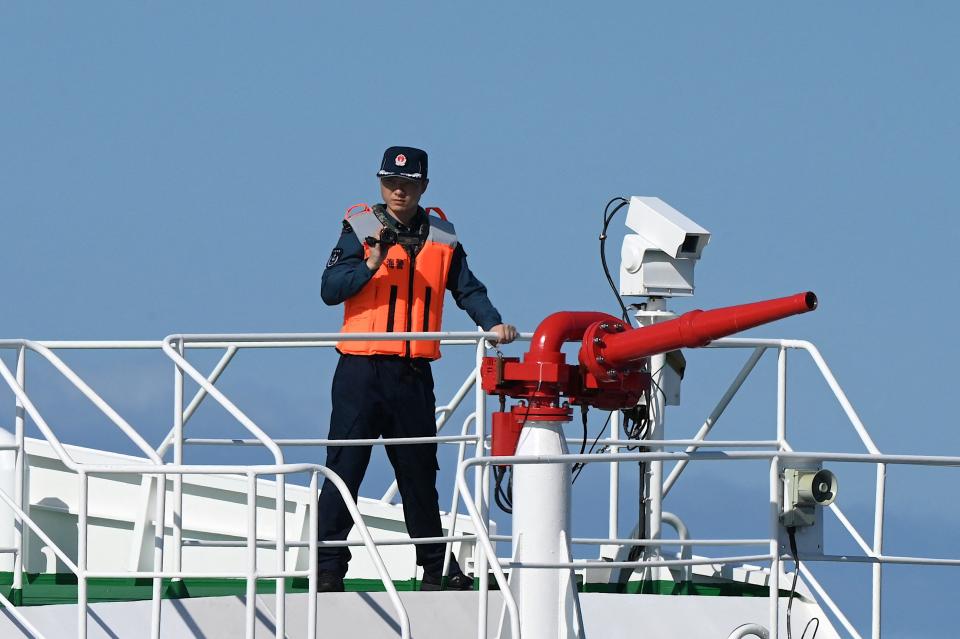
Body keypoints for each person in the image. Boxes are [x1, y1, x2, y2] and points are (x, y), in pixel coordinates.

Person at [316, 146, 517, 592]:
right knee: (345, 468)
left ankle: (434, 567)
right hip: (360, 371)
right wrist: (370, 264)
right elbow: (330, 289)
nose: (399, 190)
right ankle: (327, 567)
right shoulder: (359, 228)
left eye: (408, 184)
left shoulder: (443, 237)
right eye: (390, 182)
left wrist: (493, 324)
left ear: (424, 186)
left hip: (412, 374)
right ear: (380, 184)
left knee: (419, 472)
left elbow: (469, 290)